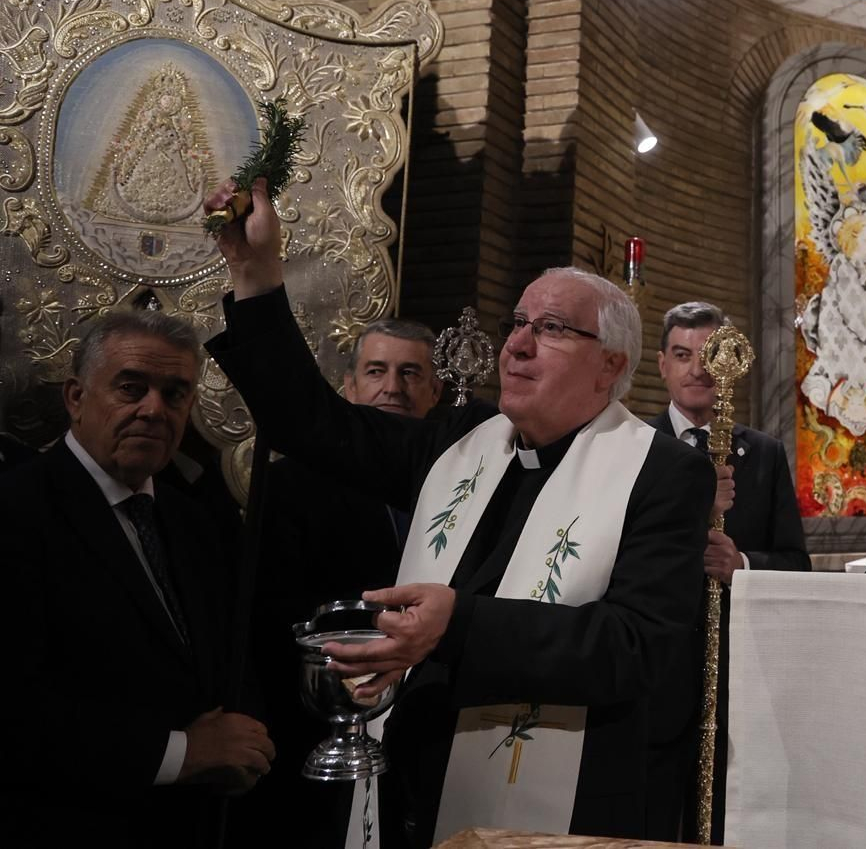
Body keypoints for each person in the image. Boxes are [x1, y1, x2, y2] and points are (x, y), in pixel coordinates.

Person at [203, 179, 715, 847]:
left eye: (552, 329)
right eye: (519, 325)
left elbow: (635, 648)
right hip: (413, 786)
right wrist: (255, 275)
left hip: (567, 802)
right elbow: (311, 423)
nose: (519, 345)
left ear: (609, 366)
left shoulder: (664, 471)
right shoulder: (458, 442)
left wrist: (458, 624)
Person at [0, 311, 276, 848]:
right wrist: (182, 752)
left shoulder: (194, 521)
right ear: (76, 398)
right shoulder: (15, 514)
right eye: (131, 388)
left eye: (175, 393)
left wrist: (247, 742)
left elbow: (232, 658)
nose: (154, 409)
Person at [238, 318, 443, 849]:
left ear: (436, 392)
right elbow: (270, 613)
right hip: (321, 726)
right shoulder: (290, 485)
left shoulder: (461, 484)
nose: (392, 387)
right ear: (349, 386)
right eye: (376, 371)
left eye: (410, 373)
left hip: (432, 724)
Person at [644, 301, 811, 842]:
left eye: (710, 355)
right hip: (652, 662)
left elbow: (794, 563)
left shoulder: (763, 454)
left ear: (734, 364)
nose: (697, 369)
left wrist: (739, 564)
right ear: (661, 364)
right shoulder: (632, 448)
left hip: (739, 667)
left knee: (724, 805)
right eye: (682, 355)